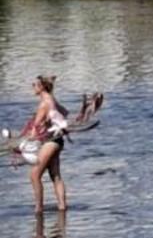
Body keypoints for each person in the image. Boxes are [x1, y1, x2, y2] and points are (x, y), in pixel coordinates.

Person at [19, 75, 100, 214]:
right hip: (57, 141)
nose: (32, 87)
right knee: (55, 175)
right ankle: (62, 207)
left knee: (34, 175)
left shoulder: (44, 103)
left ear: (42, 87)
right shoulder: (52, 100)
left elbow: (35, 131)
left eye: (34, 84)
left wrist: (21, 143)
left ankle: (38, 209)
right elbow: (64, 113)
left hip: (50, 142)